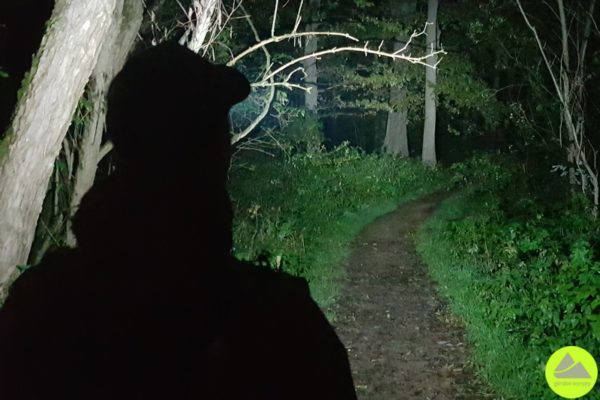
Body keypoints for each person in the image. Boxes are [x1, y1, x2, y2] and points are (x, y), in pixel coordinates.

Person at [0, 42, 357, 400]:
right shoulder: (280, 325)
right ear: (216, 152)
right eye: (220, 130)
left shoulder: (41, 307)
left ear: (121, 142)